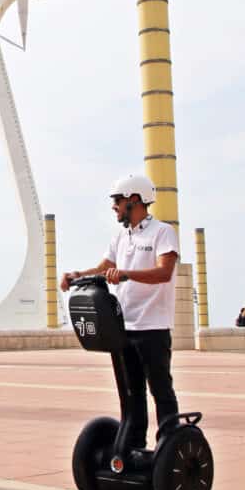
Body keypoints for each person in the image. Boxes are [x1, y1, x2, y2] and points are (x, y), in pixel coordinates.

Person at [60, 173, 179, 451]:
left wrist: (126, 274)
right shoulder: (121, 237)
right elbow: (104, 267)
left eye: (117, 200)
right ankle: (135, 448)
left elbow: (164, 272)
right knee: (132, 393)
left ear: (134, 200)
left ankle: (169, 448)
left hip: (153, 327)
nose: (113, 206)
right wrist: (77, 274)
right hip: (124, 327)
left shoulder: (162, 232)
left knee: (160, 391)